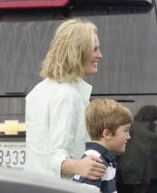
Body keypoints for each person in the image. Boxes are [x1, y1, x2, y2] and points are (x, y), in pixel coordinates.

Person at [24, 19, 106, 179]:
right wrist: (80, 166)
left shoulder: (39, 89)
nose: (100, 55)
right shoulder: (68, 96)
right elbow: (56, 156)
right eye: (94, 49)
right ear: (77, 52)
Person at [73, 99, 133, 192]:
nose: (129, 136)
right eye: (125, 130)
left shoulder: (103, 159)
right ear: (107, 134)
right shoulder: (96, 162)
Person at [117, 105, 157, 193]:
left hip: (147, 167)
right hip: (134, 164)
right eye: (156, 113)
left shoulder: (152, 127)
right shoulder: (133, 126)